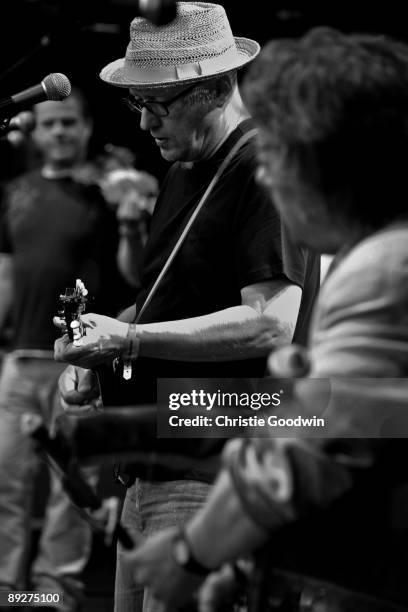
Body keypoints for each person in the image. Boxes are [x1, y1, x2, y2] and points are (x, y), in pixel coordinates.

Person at [117, 27, 408, 612]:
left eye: (280, 153)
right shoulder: (379, 253)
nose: (267, 176)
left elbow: (306, 449)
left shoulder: (382, 267)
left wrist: (193, 555)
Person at [54, 3, 320, 611]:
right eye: (138, 104)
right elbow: (166, 303)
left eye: (160, 103)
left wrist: (129, 342)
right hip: (156, 468)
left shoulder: (263, 169)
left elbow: (271, 322)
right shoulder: (184, 168)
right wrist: (103, 341)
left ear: (218, 87)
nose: (146, 124)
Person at [0, 89, 135, 611]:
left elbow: (129, 273)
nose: (58, 132)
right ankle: (10, 594)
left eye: (69, 123)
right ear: (35, 131)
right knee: (8, 485)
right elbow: (6, 274)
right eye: (49, 123)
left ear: (85, 129)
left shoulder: (103, 194)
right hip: (20, 360)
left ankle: (57, 594)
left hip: (77, 361)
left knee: (70, 490)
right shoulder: (14, 192)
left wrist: (128, 221)